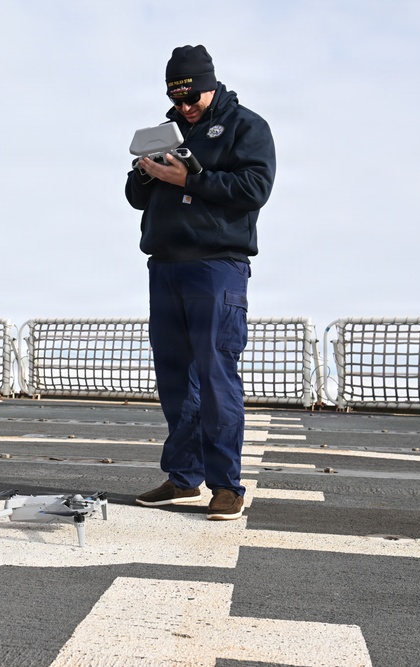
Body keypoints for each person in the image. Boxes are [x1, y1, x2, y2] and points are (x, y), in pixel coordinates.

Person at [125, 45, 276, 520]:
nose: (185, 106)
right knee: (174, 378)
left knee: (215, 377)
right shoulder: (167, 132)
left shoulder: (247, 126)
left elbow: (255, 189)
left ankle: (227, 485)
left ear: (211, 84)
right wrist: (147, 172)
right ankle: (183, 478)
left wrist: (188, 179)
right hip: (165, 265)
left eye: (192, 97)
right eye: (177, 97)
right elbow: (134, 198)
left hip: (216, 266)